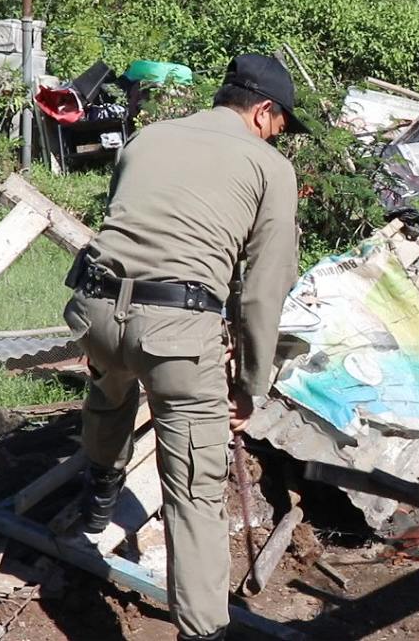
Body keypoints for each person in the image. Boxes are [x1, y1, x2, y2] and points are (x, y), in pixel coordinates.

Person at [62, 53, 306, 641]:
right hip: (175, 332)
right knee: (194, 488)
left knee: (111, 383)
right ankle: (202, 632)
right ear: (264, 110)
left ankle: (99, 490)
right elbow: (263, 291)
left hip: (92, 309)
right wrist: (251, 384)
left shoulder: (148, 137)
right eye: (282, 126)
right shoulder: (270, 169)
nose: (282, 138)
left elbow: (130, 224)